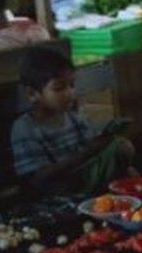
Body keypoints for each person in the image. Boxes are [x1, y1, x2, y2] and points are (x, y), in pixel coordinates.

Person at [9, 46, 135, 196]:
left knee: (120, 147)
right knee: (122, 148)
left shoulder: (74, 118)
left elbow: (92, 152)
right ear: (32, 94)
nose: (70, 93)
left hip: (83, 178)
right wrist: (84, 154)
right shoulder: (25, 128)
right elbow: (37, 177)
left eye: (71, 85)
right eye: (59, 88)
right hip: (55, 191)